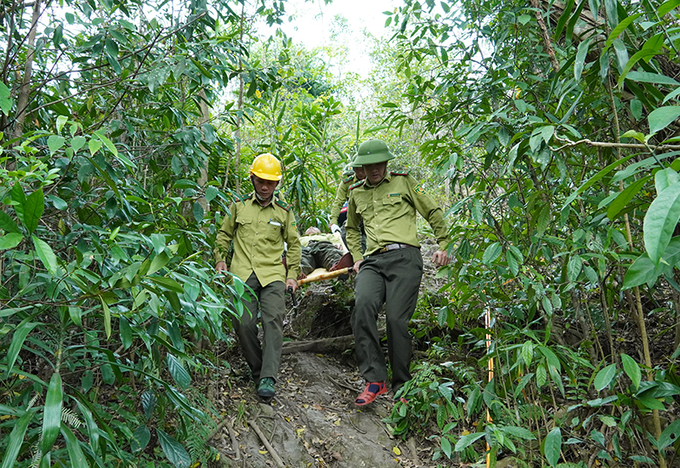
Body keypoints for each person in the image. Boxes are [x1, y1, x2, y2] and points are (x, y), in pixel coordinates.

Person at [345, 139, 452, 406]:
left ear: (387, 162)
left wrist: (444, 244)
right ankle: (375, 380)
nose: (375, 170)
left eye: (379, 163)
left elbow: (432, 211)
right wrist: (357, 258)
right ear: (362, 167)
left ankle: (402, 383)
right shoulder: (356, 191)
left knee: (395, 319)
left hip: (404, 256)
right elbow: (351, 229)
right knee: (363, 305)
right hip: (372, 261)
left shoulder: (404, 182)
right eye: (369, 166)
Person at [214, 153, 302, 399]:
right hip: (242, 273)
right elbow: (224, 235)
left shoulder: (284, 212)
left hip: (273, 273)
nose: (265, 187)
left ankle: (267, 377)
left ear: (277, 184)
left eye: (270, 183)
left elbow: (294, 245)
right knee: (243, 324)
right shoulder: (239, 205)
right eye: (260, 181)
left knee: (273, 319)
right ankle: (257, 370)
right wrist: (220, 260)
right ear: (252, 178)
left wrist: (292, 275)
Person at [330, 154, 366, 235]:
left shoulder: (374, 180)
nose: (360, 172)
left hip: (372, 216)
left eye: (362, 169)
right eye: (357, 169)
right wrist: (333, 221)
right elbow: (338, 202)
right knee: (346, 236)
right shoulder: (347, 183)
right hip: (354, 216)